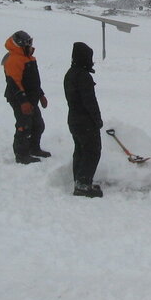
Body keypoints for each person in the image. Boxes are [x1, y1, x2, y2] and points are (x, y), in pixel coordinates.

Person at [2, 30, 49, 164]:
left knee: (38, 125)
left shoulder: (28, 58)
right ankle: (21, 154)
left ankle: (34, 148)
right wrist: (23, 101)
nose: (30, 45)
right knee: (24, 126)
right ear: (20, 44)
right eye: (28, 43)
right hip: (19, 99)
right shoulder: (13, 60)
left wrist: (41, 95)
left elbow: (33, 81)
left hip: (32, 98)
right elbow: (13, 83)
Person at [63, 41, 103, 198]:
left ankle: (80, 181)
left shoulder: (70, 74)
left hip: (73, 119)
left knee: (80, 151)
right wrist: (97, 119)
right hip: (85, 121)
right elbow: (89, 102)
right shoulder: (83, 76)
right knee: (92, 152)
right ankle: (83, 184)